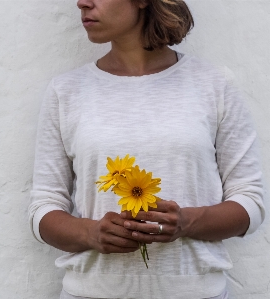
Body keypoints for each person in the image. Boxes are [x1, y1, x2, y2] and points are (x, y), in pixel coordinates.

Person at [28, 0, 266, 298]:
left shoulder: (214, 84)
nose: (82, 2)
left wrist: (187, 222)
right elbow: (43, 209)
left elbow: (251, 204)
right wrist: (90, 233)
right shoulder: (67, 91)